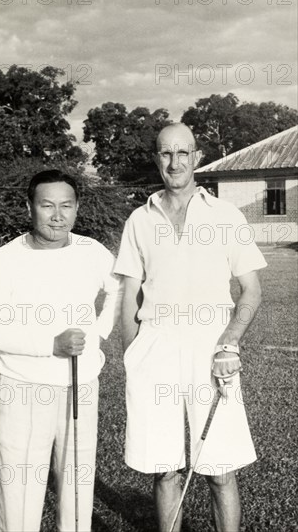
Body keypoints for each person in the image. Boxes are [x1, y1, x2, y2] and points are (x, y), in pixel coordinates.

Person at [114, 123, 267, 532]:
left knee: (219, 469)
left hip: (212, 346)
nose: (175, 162)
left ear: (197, 157)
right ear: (156, 158)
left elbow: (250, 290)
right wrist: (133, 355)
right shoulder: (139, 219)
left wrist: (230, 342)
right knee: (163, 469)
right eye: (166, 153)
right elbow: (129, 296)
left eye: (183, 153)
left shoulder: (225, 214)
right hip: (155, 346)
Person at [0, 169, 121, 532]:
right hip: (24, 387)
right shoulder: (5, 260)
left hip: (81, 384)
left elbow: (117, 289)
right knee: (20, 488)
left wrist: (99, 332)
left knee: (77, 484)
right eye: (47, 205)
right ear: (30, 207)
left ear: (76, 208)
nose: (58, 215)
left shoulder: (93, 251)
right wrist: (50, 345)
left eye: (66, 206)